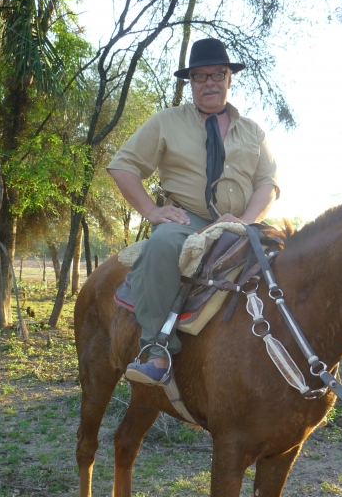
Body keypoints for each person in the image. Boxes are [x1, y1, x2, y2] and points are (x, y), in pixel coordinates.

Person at [107, 38, 280, 385]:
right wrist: (152, 212)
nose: (209, 82)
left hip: (242, 222)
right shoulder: (166, 122)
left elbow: (267, 182)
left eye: (218, 73)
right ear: (191, 83)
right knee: (162, 246)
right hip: (190, 222)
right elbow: (123, 165)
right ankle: (156, 350)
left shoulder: (253, 131)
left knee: (291, 254)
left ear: (230, 78)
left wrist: (247, 221)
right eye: (199, 77)